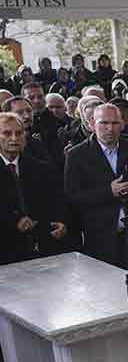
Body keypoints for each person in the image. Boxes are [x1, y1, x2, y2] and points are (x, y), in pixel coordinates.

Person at [63, 103, 128, 270]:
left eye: (114, 123)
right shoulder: (76, 155)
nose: (110, 129)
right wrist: (109, 192)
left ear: (122, 124)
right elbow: (73, 197)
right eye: (104, 123)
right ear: (92, 123)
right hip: (100, 238)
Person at [0, 112, 66, 263]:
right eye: (7, 133)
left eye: (18, 133)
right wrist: (14, 221)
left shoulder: (41, 168)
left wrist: (61, 221)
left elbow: (56, 200)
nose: (14, 138)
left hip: (40, 251)